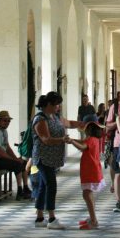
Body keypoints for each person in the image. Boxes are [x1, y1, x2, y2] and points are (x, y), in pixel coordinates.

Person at [32, 91, 85, 229]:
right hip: (43, 158)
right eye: (56, 105)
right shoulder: (40, 119)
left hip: (52, 158)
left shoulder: (55, 117)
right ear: (49, 104)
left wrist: (82, 124)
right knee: (51, 185)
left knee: (44, 186)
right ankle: (52, 219)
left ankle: (39, 218)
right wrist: (62, 139)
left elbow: (68, 123)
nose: (58, 107)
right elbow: (46, 139)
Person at [66, 114, 106, 230]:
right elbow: (83, 142)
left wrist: (72, 142)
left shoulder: (91, 140)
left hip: (90, 171)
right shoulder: (94, 139)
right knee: (89, 194)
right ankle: (92, 218)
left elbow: (83, 146)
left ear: (88, 128)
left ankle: (93, 221)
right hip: (92, 170)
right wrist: (72, 140)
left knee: (87, 194)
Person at [0, 111, 30, 200]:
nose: (7, 123)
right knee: (17, 164)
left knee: (22, 162)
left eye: (8, 121)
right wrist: (15, 160)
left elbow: (7, 148)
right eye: (5, 120)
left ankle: (26, 188)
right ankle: (20, 190)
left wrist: (16, 158)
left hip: (0, 159)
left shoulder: (4, 131)